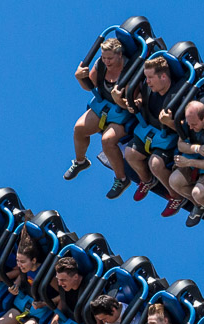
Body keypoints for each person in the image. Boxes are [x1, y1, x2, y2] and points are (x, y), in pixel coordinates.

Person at [69, 37, 136, 198]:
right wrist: (80, 78)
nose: (107, 61)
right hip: (104, 105)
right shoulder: (101, 65)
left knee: (107, 140)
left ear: (119, 55)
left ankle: (121, 179)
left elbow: (136, 105)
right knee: (79, 129)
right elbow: (89, 86)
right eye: (104, 57)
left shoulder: (130, 71)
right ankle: (80, 162)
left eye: (110, 58)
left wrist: (121, 99)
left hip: (123, 112)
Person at [123, 56, 183, 215]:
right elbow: (143, 95)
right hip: (149, 130)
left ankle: (176, 196)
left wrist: (169, 122)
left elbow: (187, 130)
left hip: (169, 137)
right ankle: (147, 180)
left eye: (150, 78)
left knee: (155, 163)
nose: (147, 81)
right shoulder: (149, 88)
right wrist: (137, 101)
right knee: (129, 153)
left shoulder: (178, 97)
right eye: (146, 77)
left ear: (163, 76)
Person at [167, 100, 204, 227]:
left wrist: (189, 162)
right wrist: (197, 148)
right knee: (174, 181)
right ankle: (200, 206)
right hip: (196, 158)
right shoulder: (189, 122)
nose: (191, 128)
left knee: (198, 193)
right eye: (189, 124)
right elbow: (181, 145)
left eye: (194, 124)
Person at [0, 231, 48, 324]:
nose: (19, 265)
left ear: (33, 260)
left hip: (41, 311)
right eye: (18, 261)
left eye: (22, 262)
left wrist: (43, 303)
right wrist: (15, 286)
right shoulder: (24, 270)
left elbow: (61, 297)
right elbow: (21, 276)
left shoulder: (44, 273)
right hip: (25, 305)